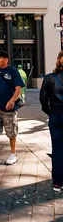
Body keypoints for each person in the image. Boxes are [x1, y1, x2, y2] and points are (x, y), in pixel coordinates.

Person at [0, 50, 24, 167]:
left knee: (11, 132)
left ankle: (13, 154)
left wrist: (12, 100)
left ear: (6, 59)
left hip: (9, 110)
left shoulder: (13, 71)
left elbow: (18, 88)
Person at [40, 50, 63, 192]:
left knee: (57, 149)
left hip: (56, 115)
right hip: (55, 114)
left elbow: (43, 99)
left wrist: (51, 112)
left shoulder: (50, 78)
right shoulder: (49, 78)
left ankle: (57, 182)